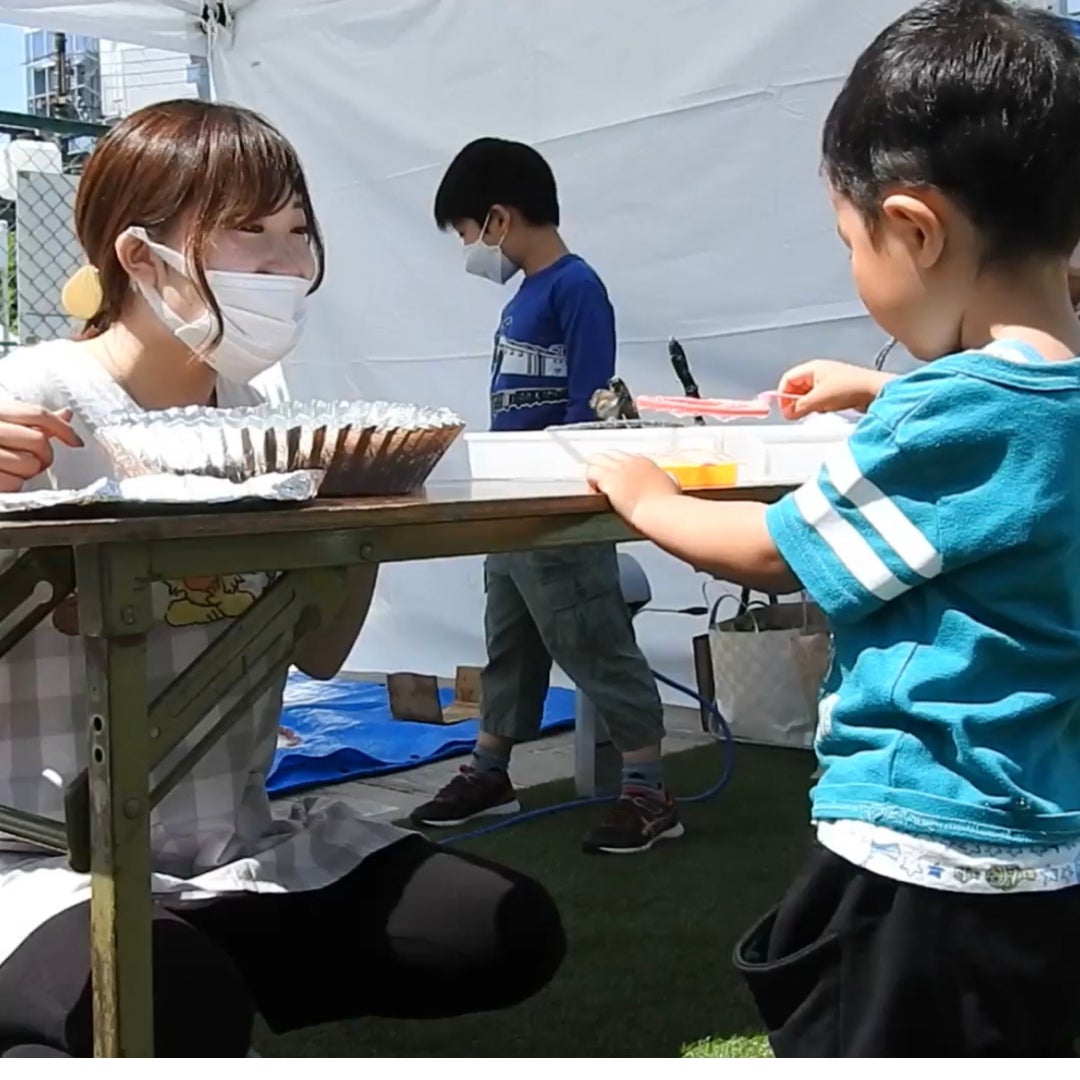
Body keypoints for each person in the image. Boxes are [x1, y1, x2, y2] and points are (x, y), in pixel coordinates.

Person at [0, 101, 564, 1058]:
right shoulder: (33, 402)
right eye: (247, 232)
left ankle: (177, 970)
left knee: (504, 930)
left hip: (232, 847)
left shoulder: (266, 410)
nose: (286, 263)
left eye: (297, 231)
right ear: (141, 258)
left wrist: (360, 519)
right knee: (169, 1000)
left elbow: (320, 649)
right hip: (36, 859)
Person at [587, 0, 1080, 1056]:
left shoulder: (948, 412)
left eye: (851, 242)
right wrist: (880, 389)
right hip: (1047, 843)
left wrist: (649, 498)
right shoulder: (1045, 405)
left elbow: (777, 554)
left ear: (915, 229)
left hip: (918, 844)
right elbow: (1011, 440)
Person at [412, 137, 676, 855]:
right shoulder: (525, 296)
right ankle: (490, 770)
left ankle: (649, 789)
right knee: (510, 643)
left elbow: (590, 403)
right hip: (512, 506)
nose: (469, 249)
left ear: (499, 219)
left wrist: (568, 491)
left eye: (467, 232)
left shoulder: (576, 287)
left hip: (559, 505)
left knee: (594, 639)